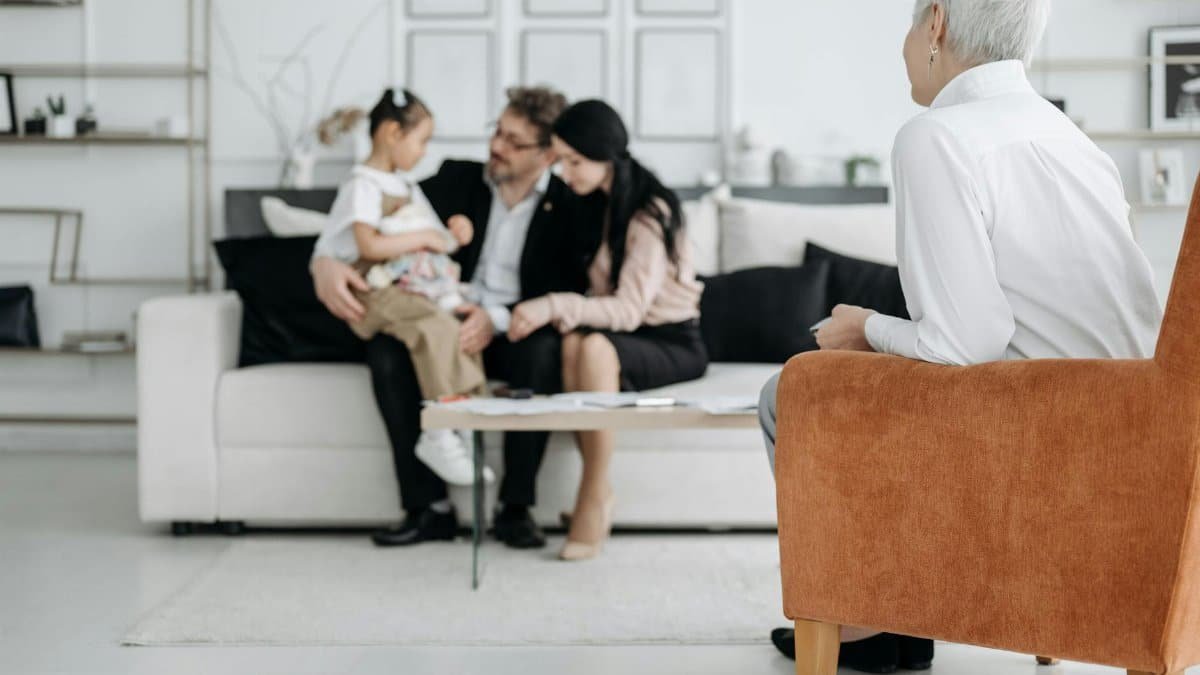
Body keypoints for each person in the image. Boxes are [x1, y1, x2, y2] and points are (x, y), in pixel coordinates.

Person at [759, 0, 1163, 671]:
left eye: (911, 25)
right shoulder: (1075, 140)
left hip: (1025, 438)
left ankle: (865, 619)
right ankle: (890, 616)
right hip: (1126, 437)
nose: (906, 42)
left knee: (792, 392)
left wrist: (865, 327)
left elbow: (964, 342)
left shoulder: (937, 134)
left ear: (937, 24)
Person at [312, 86, 605, 550]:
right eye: (497, 131)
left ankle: (515, 507)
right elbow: (372, 219)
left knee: (542, 353)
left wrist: (494, 318)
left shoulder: (571, 209)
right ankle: (427, 507)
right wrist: (323, 263)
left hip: (513, 325)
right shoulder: (454, 179)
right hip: (440, 311)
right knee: (387, 348)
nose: (496, 146)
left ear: (548, 155)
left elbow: (568, 290)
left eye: (514, 141)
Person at [508, 100, 708, 561]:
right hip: (632, 336)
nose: (565, 172)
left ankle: (593, 494)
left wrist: (552, 305)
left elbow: (629, 311)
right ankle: (598, 493)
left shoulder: (649, 213)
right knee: (573, 343)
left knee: (594, 347)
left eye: (575, 161)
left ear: (605, 156)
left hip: (673, 338)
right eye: (560, 160)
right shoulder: (599, 202)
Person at [314, 87, 491, 488]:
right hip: (373, 290)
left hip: (408, 287)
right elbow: (369, 244)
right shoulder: (363, 184)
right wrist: (424, 239)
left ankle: (462, 420)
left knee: (459, 330)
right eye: (421, 141)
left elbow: (436, 237)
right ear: (392, 132)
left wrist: (455, 232)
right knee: (434, 327)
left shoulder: (405, 186)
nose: (424, 151)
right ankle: (438, 431)